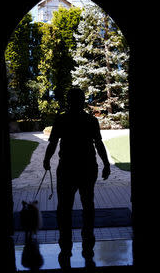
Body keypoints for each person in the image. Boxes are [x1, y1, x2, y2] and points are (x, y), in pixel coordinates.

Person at [43, 88, 111, 269]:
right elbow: (98, 143)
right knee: (88, 203)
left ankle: (65, 242)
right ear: (82, 101)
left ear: (68, 101)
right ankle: (87, 239)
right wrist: (106, 164)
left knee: (64, 207)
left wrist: (47, 159)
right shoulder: (91, 120)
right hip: (88, 167)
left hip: (66, 168)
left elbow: (53, 143)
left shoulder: (61, 119)